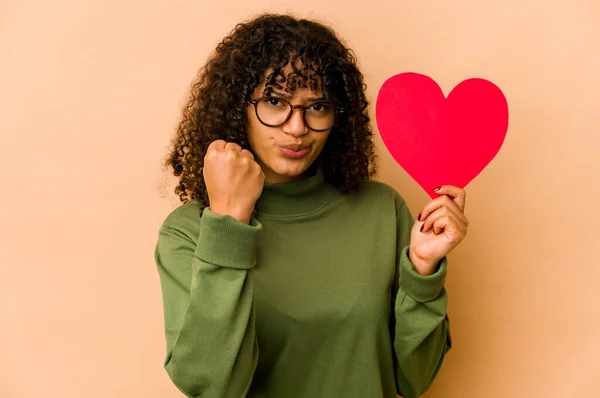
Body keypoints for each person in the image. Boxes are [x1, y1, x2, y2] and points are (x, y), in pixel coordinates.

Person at [154, 13, 468, 398]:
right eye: (275, 101)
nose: (298, 127)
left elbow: (413, 378)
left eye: (317, 106)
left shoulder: (382, 210)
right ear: (238, 108)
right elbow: (211, 385)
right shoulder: (190, 231)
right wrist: (228, 224)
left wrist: (422, 270)